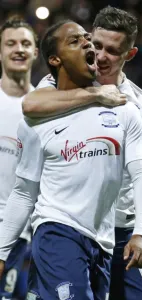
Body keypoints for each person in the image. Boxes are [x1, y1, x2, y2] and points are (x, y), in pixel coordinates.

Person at [0, 20, 142, 300]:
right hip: (56, 232)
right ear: (55, 59)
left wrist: (141, 232)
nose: (87, 43)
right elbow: (24, 193)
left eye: (87, 38)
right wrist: (1, 252)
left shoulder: (124, 109)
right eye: (75, 41)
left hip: (103, 242)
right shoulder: (37, 121)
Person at [0, 16, 38, 299]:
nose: (19, 49)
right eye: (10, 43)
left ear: (36, 52)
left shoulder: (45, 108)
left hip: (17, 232)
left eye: (26, 43)